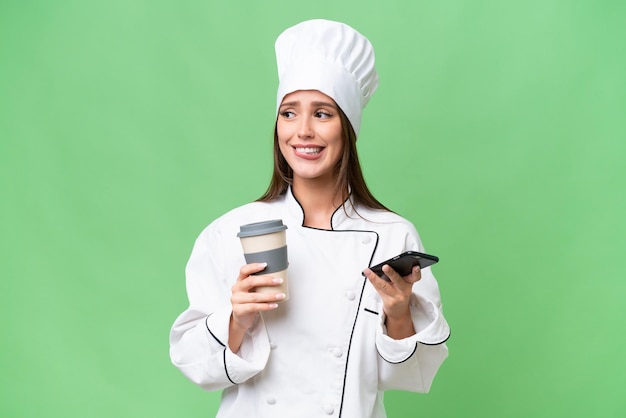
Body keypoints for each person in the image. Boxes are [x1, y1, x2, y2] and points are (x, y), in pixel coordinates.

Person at [169, 19, 450, 418]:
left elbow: (410, 372)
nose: (302, 132)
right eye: (288, 113)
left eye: (322, 114)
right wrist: (239, 318)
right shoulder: (231, 232)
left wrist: (400, 312)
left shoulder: (391, 235)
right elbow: (193, 362)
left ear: (347, 128)